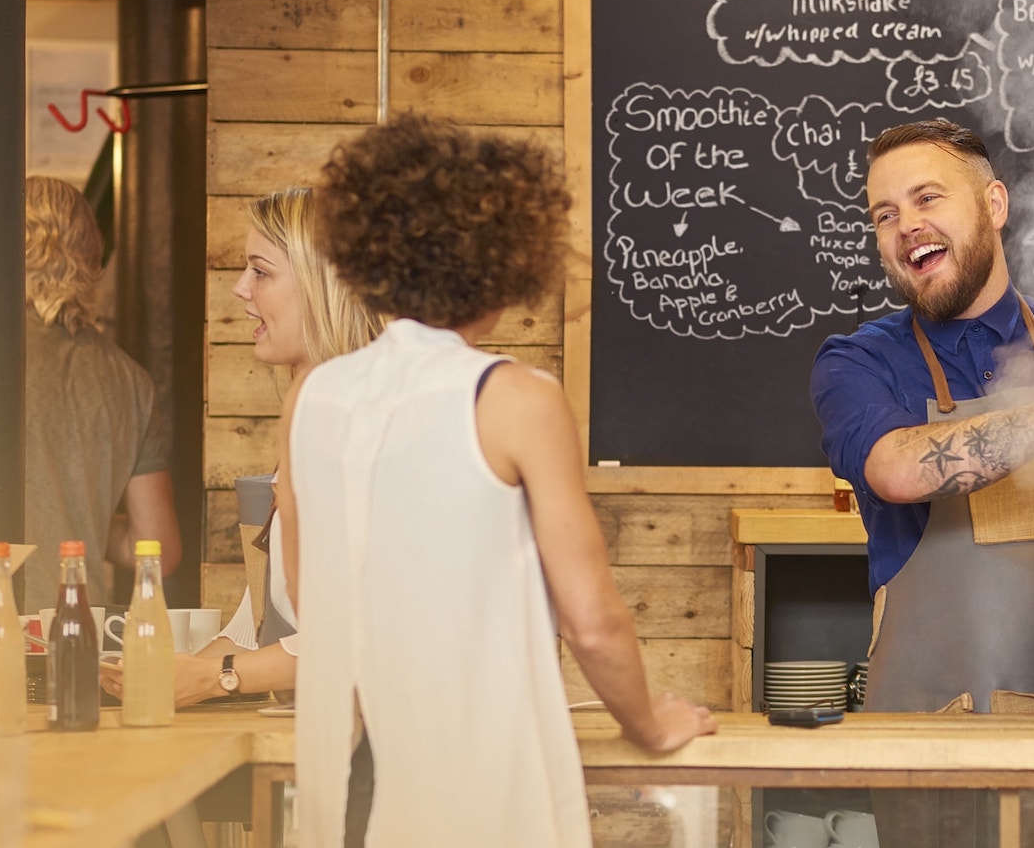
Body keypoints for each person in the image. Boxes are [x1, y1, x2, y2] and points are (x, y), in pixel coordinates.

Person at [279, 114, 716, 847]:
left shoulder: (314, 395)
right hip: (472, 789)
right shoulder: (516, 399)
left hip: (349, 772)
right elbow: (591, 619)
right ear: (505, 263)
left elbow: (307, 592)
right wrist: (648, 722)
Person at [809, 120, 1034, 846]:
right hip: (941, 758)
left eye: (927, 198)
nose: (906, 227)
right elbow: (899, 468)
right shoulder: (859, 363)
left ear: (993, 204)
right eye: (885, 214)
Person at [99, 187, 383, 707]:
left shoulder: (368, 428)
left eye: (261, 271)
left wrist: (218, 678)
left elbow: (374, 628)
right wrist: (153, 673)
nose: (239, 289)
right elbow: (258, 629)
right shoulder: (311, 422)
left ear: (325, 285)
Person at [22, 176, 181, 607]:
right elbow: (158, 548)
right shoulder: (129, 379)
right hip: (76, 630)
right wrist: (78, 517)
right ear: (92, 256)